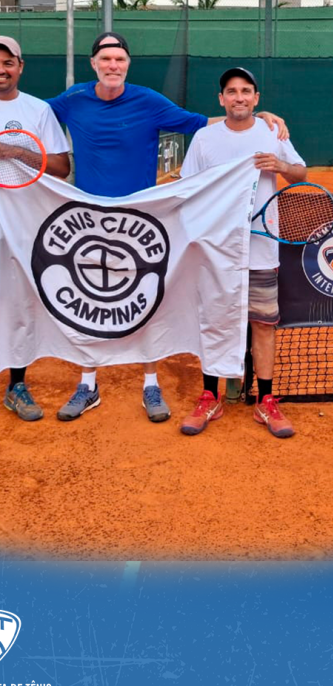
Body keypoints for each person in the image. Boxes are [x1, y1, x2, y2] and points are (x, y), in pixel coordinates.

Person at [44, 34, 288, 423]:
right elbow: (34, 113)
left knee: (145, 298)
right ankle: (87, 383)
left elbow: (205, 122)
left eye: (119, 59)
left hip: (141, 219)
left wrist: (260, 117)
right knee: (89, 301)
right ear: (94, 63)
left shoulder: (149, 101)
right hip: (87, 220)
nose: (112, 65)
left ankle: (151, 384)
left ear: (127, 64)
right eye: (106, 59)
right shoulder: (72, 99)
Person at [179, 67, 306, 438]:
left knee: (263, 325)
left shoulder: (272, 132)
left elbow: (300, 172)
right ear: (221, 99)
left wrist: (281, 165)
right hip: (217, 252)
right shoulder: (204, 138)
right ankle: (210, 395)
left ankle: (266, 400)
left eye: (246, 91)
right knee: (214, 321)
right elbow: (188, 188)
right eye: (232, 91)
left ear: (256, 98)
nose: (239, 97)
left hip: (261, 250)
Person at [0, 35, 70, 422]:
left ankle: (16, 386)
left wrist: (15, 151)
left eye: (8, 62)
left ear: (20, 67)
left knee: (19, 303)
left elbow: (61, 167)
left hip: (23, 223)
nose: (1, 69)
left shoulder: (38, 110)